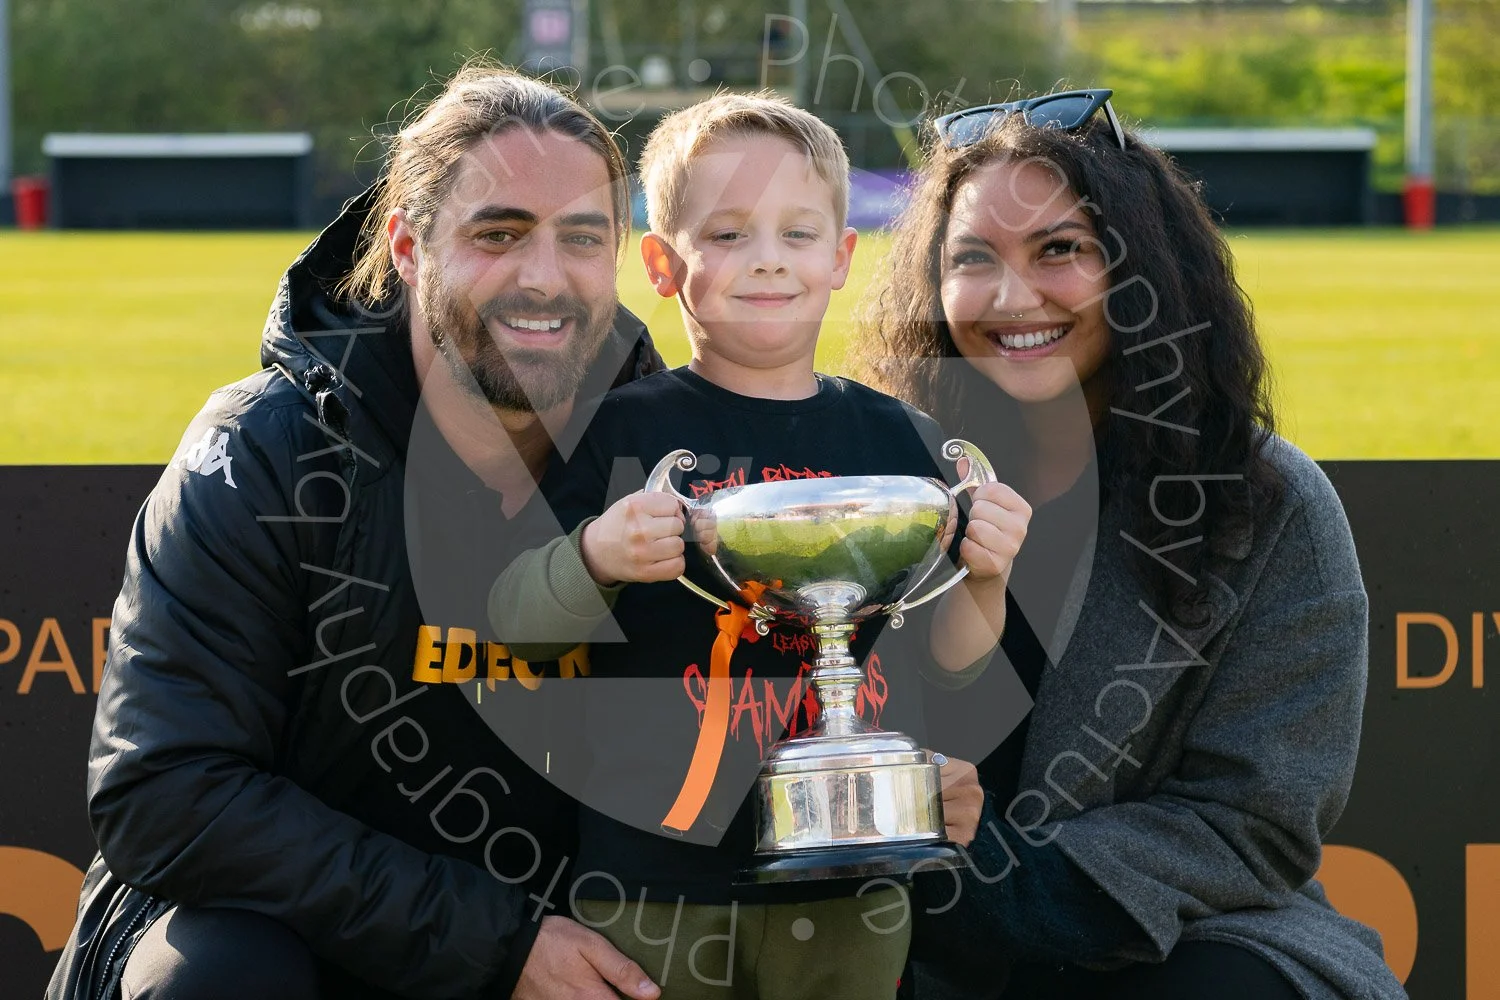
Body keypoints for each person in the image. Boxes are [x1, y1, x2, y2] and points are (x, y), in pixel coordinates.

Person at [48, 65, 678, 1000]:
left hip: (560, 951)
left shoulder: (666, 457)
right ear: (410, 247)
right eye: (498, 234)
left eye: (581, 238)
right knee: (221, 977)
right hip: (292, 945)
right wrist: (493, 944)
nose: (544, 277)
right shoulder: (266, 449)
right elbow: (165, 795)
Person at [854, 89, 1408, 999]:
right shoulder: (884, 480)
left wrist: (997, 880)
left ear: (1142, 267)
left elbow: (1254, 820)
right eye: (973, 260)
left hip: (1171, 939)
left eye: (1060, 250)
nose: (1011, 297)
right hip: (892, 933)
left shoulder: (1262, 505)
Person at [487, 93, 1017, 998]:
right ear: (660, 262)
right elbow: (512, 629)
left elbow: (956, 666)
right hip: (652, 875)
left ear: (843, 257)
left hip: (855, 868)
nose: (767, 258)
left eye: (798, 233)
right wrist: (595, 558)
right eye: (727, 235)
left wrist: (986, 576)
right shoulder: (610, 435)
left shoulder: (904, 446)